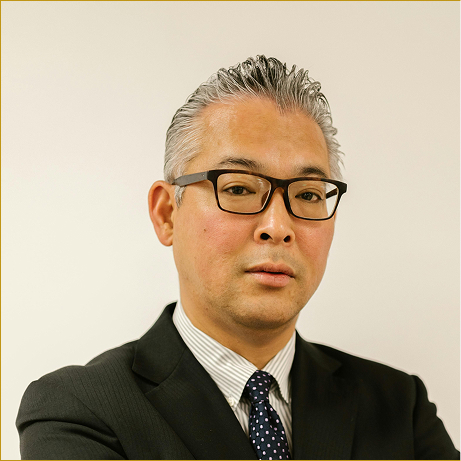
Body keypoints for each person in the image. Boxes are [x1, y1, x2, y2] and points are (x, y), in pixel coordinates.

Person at [16, 56, 459, 460]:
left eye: (307, 194)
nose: (278, 226)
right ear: (167, 214)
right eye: (240, 188)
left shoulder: (399, 407)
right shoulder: (79, 412)